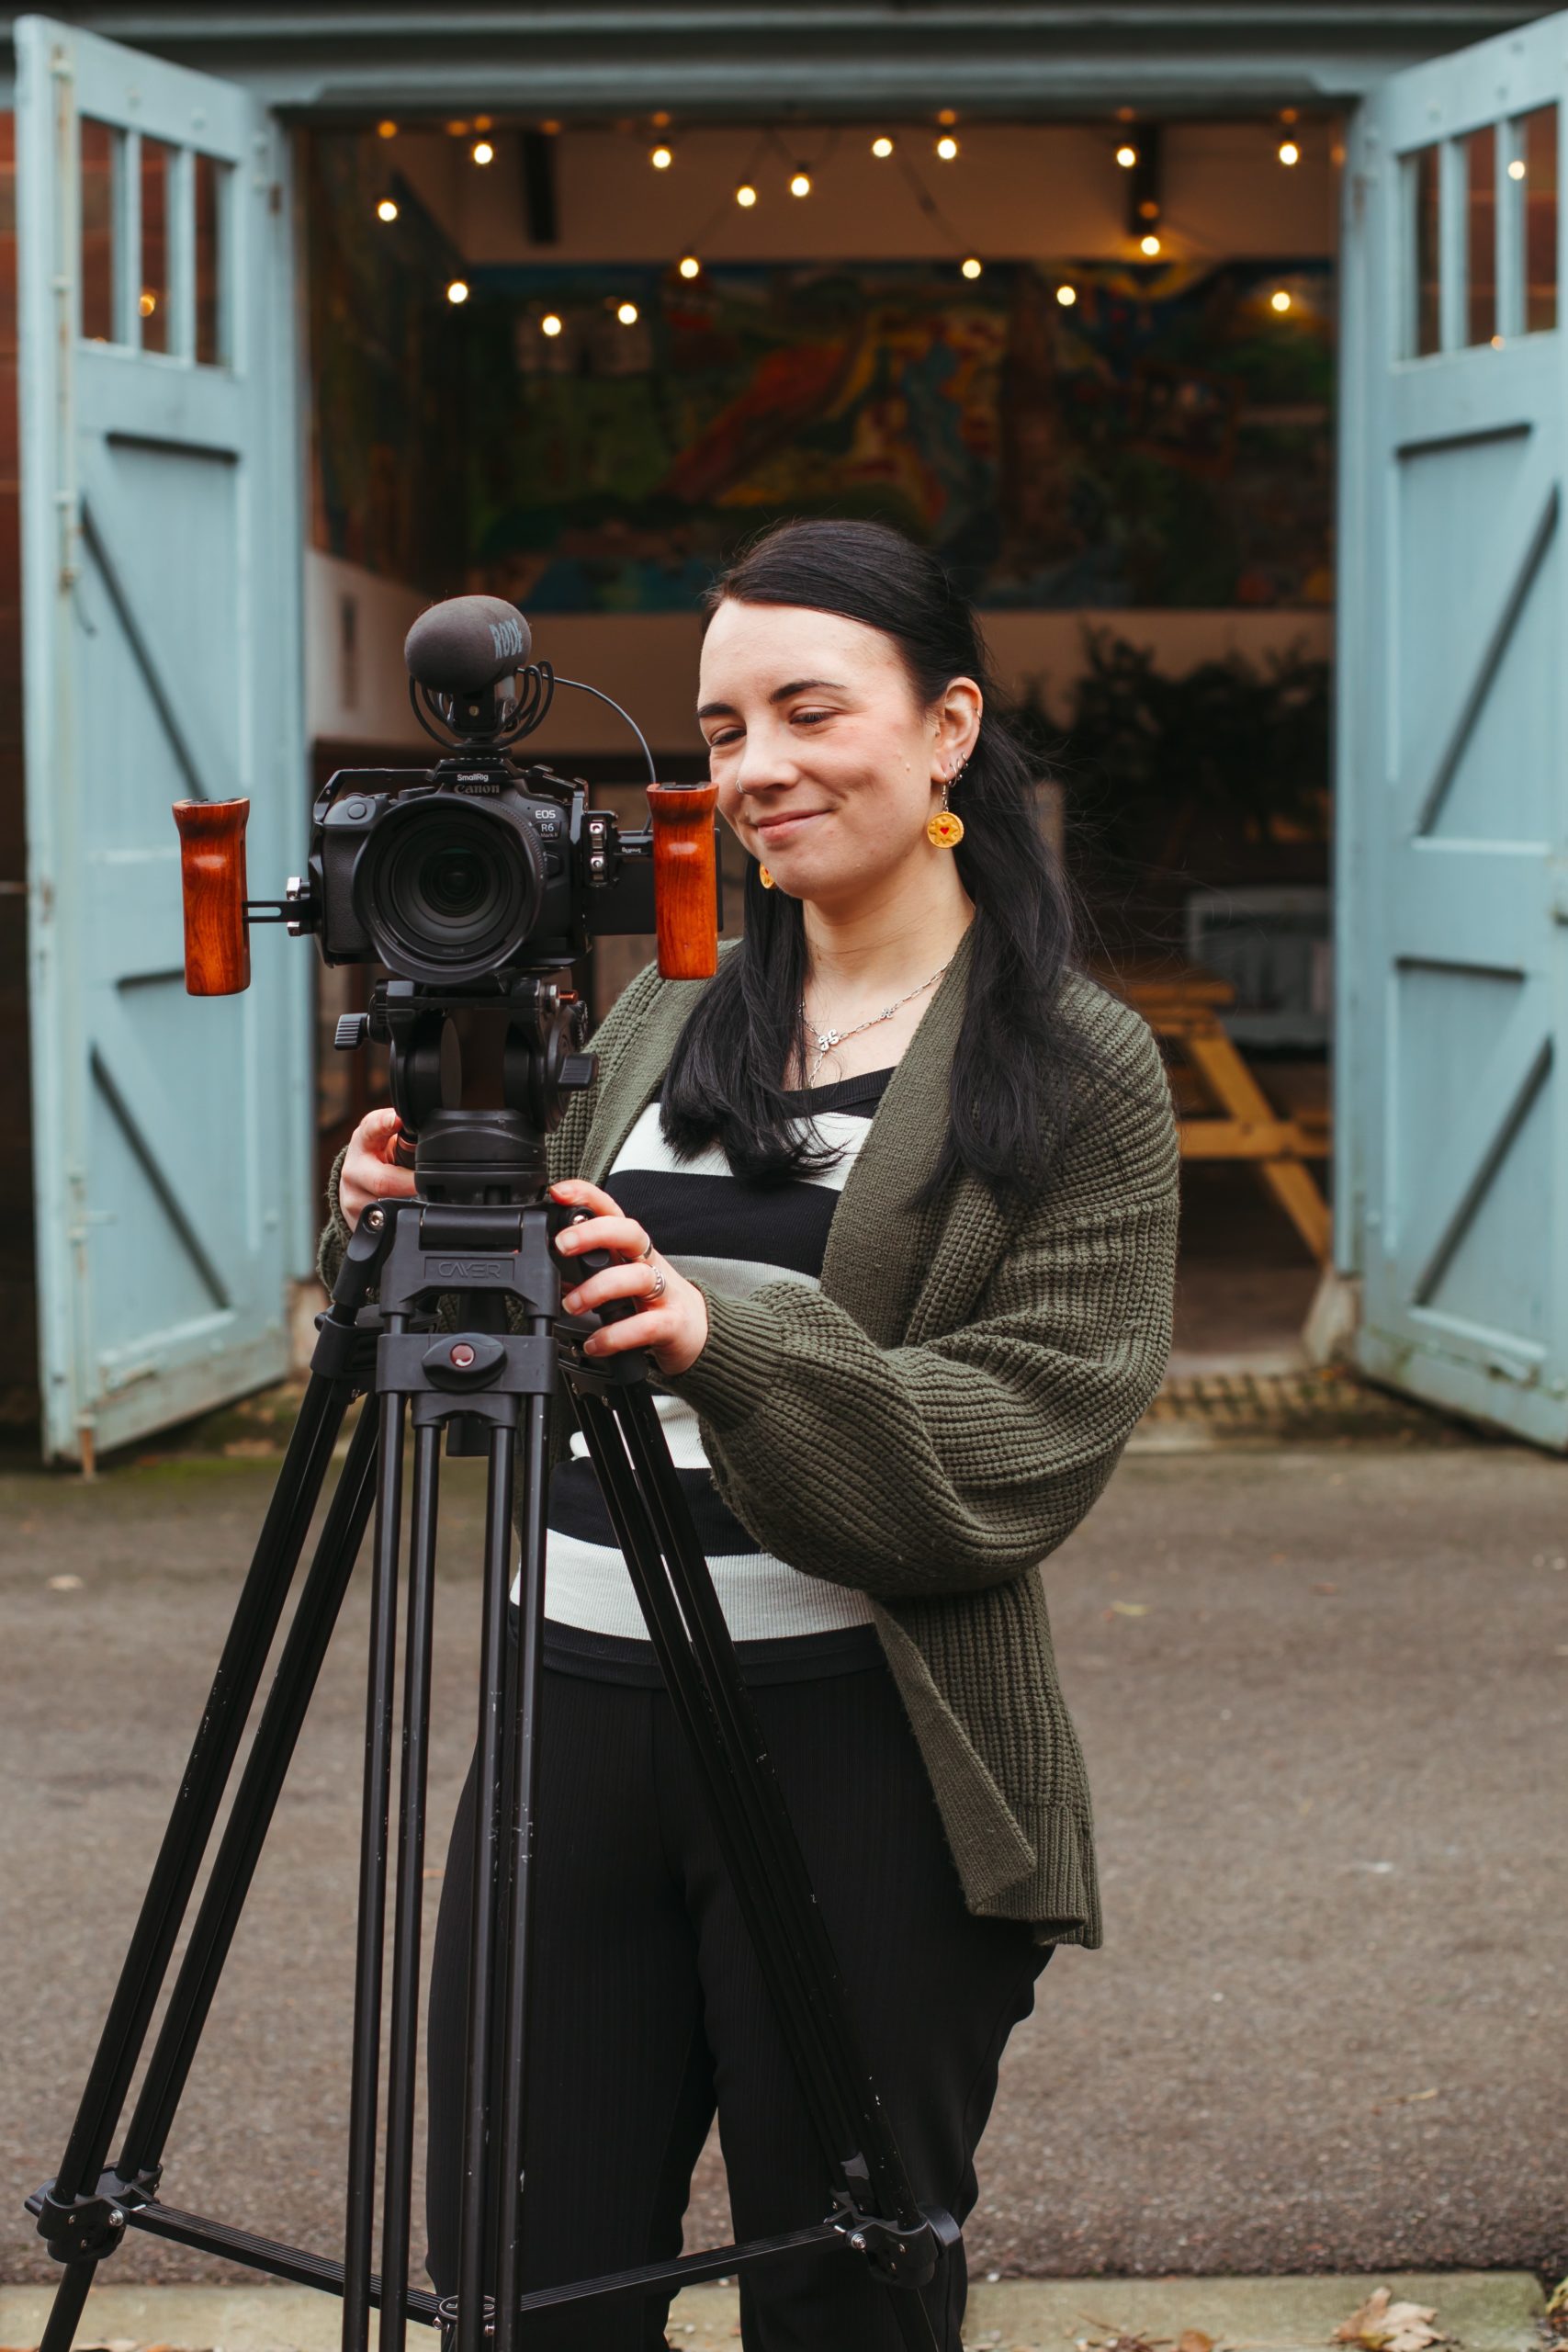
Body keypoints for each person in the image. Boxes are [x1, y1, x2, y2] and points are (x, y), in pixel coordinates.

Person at [319, 517, 1179, 2351]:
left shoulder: (1073, 1061)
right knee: (520, 2291)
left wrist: (731, 1336)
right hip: (567, 1725)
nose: (757, 768)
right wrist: (418, 1226)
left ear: (944, 728)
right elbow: (515, 1354)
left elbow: (1021, 1436)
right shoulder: (660, 1012)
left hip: (856, 1744)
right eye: (719, 732)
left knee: (838, 2299)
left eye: (806, 709)